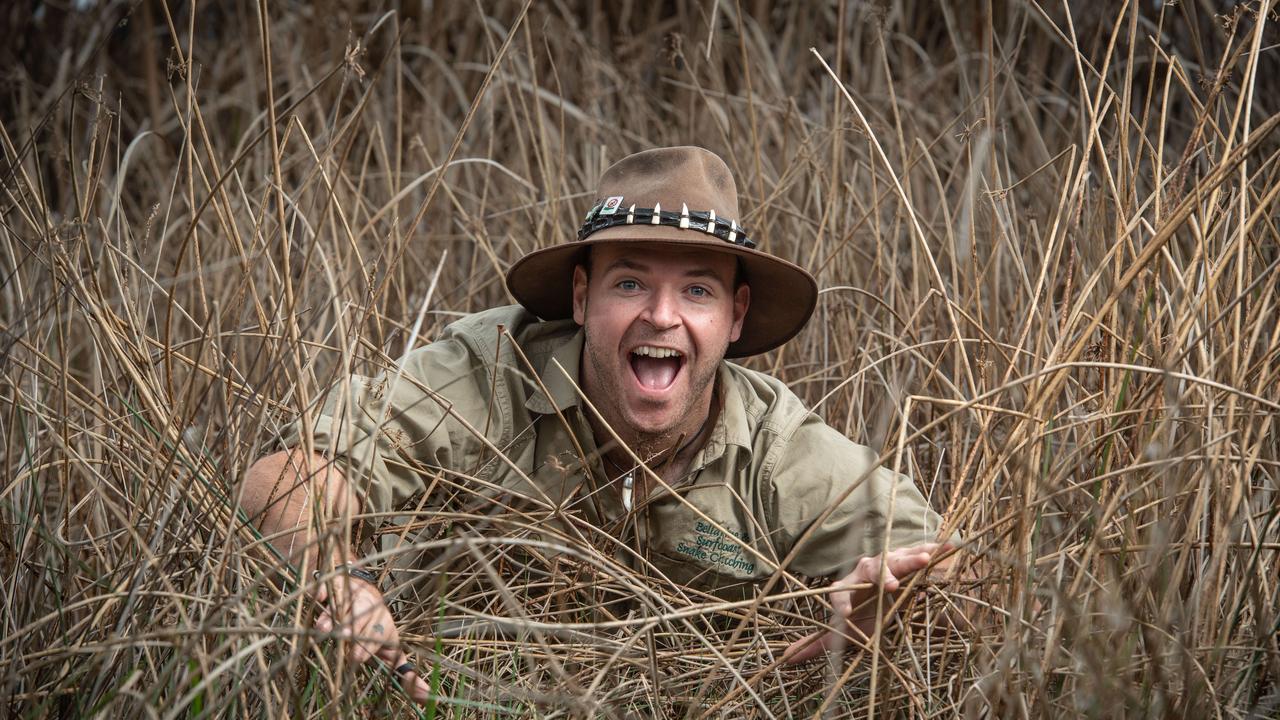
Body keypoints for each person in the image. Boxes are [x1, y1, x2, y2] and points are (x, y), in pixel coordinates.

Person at [239, 146, 955, 704]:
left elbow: (954, 566)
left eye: (697, 290)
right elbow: (290, 476)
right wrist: (336, 579)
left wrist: (892, 599)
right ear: (582, 298)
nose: (662, 316)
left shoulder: (777, 450)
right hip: (447, 696)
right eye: (630, 282)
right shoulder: (488, 375)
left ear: (734, 318)